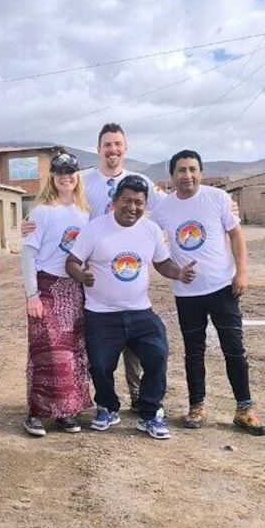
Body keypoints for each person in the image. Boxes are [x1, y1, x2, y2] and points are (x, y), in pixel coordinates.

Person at [24, 124, 165, 411]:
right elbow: (49, 224)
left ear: (125, 148)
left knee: (132, 344)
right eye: (107, 145)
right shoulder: (85, 182)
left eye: (117, 144)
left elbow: (167, 208)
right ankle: (88, 403)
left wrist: (221, 206)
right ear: (99, 149)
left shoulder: (141, 182)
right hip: (86, 279)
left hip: (120, 275)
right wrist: (26, 227)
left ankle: (137, 397)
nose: (112, 150)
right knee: (87, 346)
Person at [66, 175, 196, 440]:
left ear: (145, 204)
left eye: (139, 202)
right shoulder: (94, 229)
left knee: (157, 354)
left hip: (140, 311)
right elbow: (72, 261)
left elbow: (161, 263)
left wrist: (179, 273)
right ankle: (107, 407)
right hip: (101, 314)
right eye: (127, 200)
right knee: (100, 365)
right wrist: (81, 276)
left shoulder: (150, 230)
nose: (133, 207)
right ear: (114, 202)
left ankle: (150, 413)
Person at [151, 150, 265, 436]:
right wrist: (176, 272)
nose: (187, 175)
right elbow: (152, 247)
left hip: (222, 288)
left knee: (234, 349)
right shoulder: (164, 209)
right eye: (181, 170)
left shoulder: (217, 198)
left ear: (200, 172)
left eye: (192, 169)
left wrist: (241, 273)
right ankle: (197, 406)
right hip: (187, 294)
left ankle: (244, 409)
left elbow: (236, 235)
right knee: (194, 351)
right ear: (172, 175)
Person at [21, 150, 93, 437]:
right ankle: (36, 413)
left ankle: (66, 411)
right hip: (46, 286)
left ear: (77, 177)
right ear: (52, 177)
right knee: (46, 351)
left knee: (72, 353)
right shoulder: (41, 212)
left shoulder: (84, 213)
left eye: (71, 172)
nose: (66, 177)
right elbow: (27, 254)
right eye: (60, 173)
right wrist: (32, 294)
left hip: (73, 288)